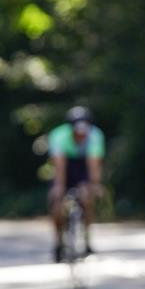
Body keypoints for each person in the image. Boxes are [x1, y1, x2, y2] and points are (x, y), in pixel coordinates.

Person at [47, 106, 105, 259]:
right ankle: (58, 243)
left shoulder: (95, 136)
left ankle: (87, 240)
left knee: (87, 198)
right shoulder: (59, 136)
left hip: (82, 166)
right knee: (57, 204)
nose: (81, 136)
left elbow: (93, 164)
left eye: (83, 133)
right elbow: (60, 166)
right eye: (77, 133)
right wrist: (59, 187)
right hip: (65, 166)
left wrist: (95, 184)